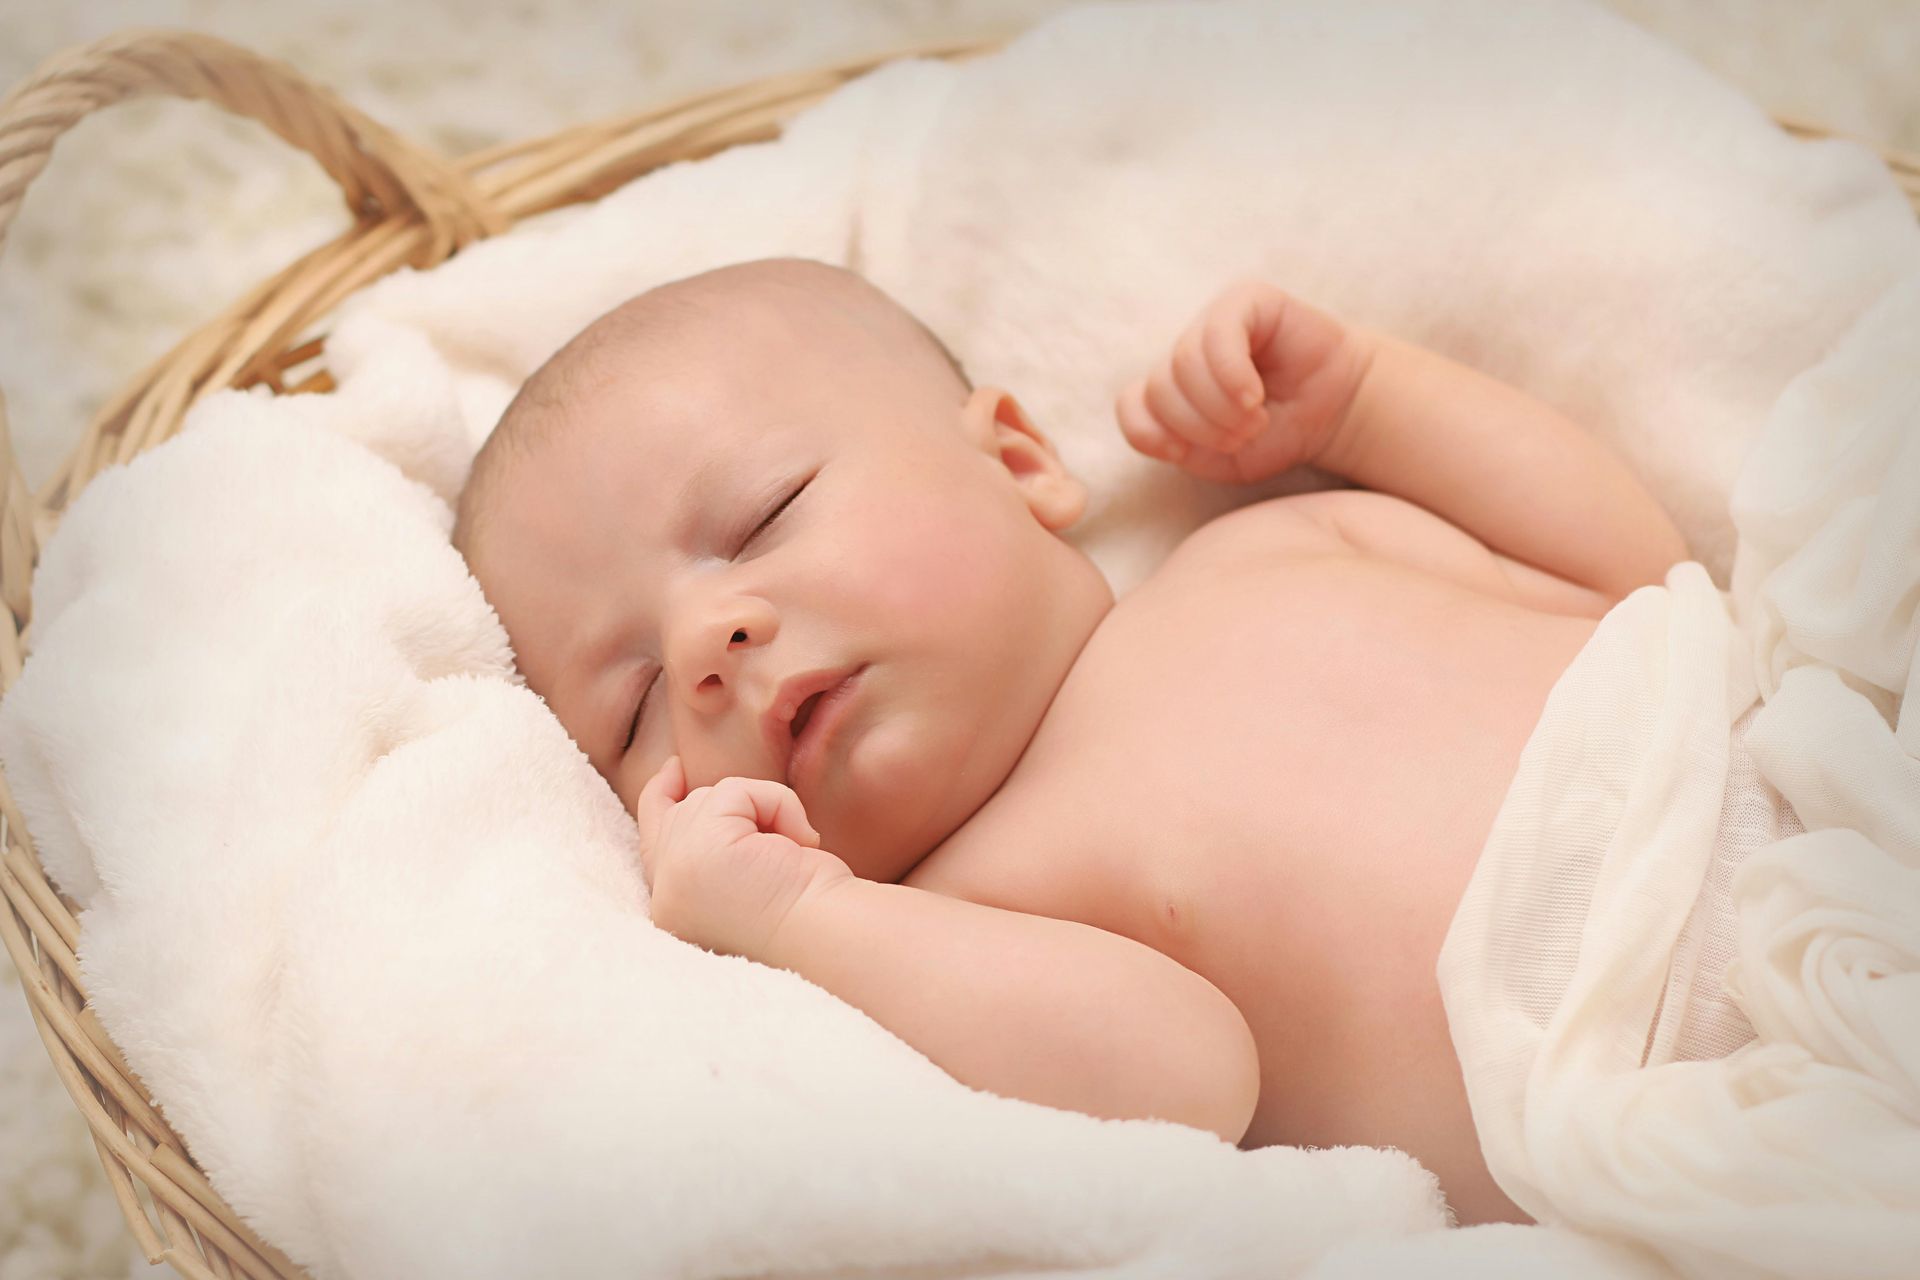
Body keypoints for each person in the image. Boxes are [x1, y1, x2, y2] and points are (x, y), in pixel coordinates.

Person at [452, 257, 1688, 1226]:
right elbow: (1189, 1077)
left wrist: (1365, 399)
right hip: (1692, 1103)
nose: (707, 642)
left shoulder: (1269, 540)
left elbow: (1632, 577)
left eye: (762, 516)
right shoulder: (960, 917)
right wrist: (793, 917)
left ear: (1021, 460)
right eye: (633, 703)